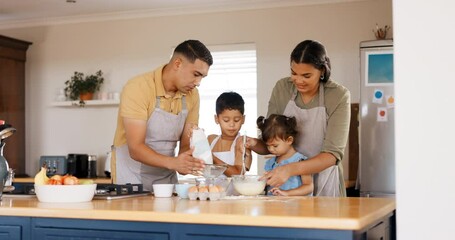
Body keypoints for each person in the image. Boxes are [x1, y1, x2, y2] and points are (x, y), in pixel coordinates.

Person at [248, 40, 350, 197]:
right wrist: (253, 143)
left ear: (322, 71)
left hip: (325, 183)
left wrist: (290, 169)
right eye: (293, 73)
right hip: (286, 187)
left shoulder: (337, 96)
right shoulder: (282, 88)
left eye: (306, 75)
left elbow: (332, 155)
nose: (298, 81)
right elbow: (269, 142)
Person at [112, 40, 213, 191]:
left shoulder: (192, 95)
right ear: (177, 64)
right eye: (196, 74)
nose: (198, 82)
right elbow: (136, 148)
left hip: (166, 179)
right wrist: (174, 163)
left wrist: (188, 160)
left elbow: (185, 144)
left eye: (202, 77)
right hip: (131, 178)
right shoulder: (138, 88)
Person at [257, 114, 313, 196]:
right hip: (274, 206)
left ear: (289, 140)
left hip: (296, 207)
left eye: (275, 145)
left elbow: (308, 187)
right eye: (268, 146)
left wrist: (287, 193)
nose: (271, 149)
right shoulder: (271, 163)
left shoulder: (301, 161)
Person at [207, 92, 252, 195]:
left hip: (234, 201)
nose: (232, 124)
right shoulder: (211, 140)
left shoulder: (242, 143)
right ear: (216, 119)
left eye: (237, 120)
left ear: (243, 119)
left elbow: (237, 173)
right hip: (211, 198)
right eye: (226, 120)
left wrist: (212, 158)